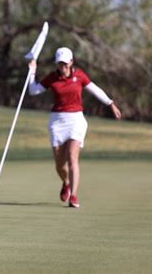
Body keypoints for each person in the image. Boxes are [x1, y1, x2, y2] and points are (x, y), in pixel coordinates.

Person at [28, 47, 121, 208]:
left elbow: (95, 90)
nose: (63, 66)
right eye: (60, 63)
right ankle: (66, 182)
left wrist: (110, 103)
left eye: (65, 63)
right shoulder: (52, 77)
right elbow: (33, 91)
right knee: (59, 164)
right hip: (57, 121)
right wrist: (32, 72)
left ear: (71, 62)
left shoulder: (79, 75)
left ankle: (74, 195)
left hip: (76, 119)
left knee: (72, 157)